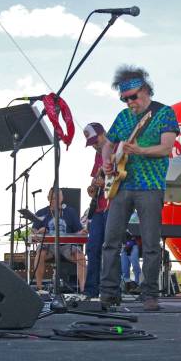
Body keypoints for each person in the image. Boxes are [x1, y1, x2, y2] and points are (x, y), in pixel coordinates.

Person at [100, 65, 180, 311]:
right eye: (124, 99)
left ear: (145, 90)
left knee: (151, 242)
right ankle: (109, 293)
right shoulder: (123, 117)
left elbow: (167, 148)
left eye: (133, 97)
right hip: (122, 186)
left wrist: (141, 151)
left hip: (150, 186)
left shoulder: (164, 113)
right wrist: (107, 161)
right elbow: (107, 142)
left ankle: (149, 294)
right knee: (110, 241)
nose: (129, 103)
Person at [31, 188, 87, 294]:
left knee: (81, 256)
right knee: (40, 254)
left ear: (62, 198)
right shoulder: (42, 212)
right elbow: (33, 230)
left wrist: (82, 233)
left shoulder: (70, 212)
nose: (56, 198)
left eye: (58, 196)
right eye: (53, 196)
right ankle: (39, 289)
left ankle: (83, 290)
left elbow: (78, 231)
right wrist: (39, 231)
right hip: (48, 246)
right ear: (48, 198)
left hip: (67, 246)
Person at [82, 122, 110, 299]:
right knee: (92, 248)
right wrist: (92, 188)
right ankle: (91, 289)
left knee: (110, 248)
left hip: (114, 205)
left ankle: (110, 289)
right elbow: (95, 180)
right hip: (99, 208)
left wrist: (106, 181)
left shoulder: (116, 149)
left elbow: (124, 174)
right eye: (91, 142)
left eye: (95, 140)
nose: (94, 145)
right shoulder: (97, 156)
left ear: (103, 133)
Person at [121, 211, 142, 293]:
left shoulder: (137, 215)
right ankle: (126, 286)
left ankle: (137, 284)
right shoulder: (122, 214)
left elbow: (139, 230)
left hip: (134, 244)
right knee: (124, 267)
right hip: (124, 245)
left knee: (135, 265)